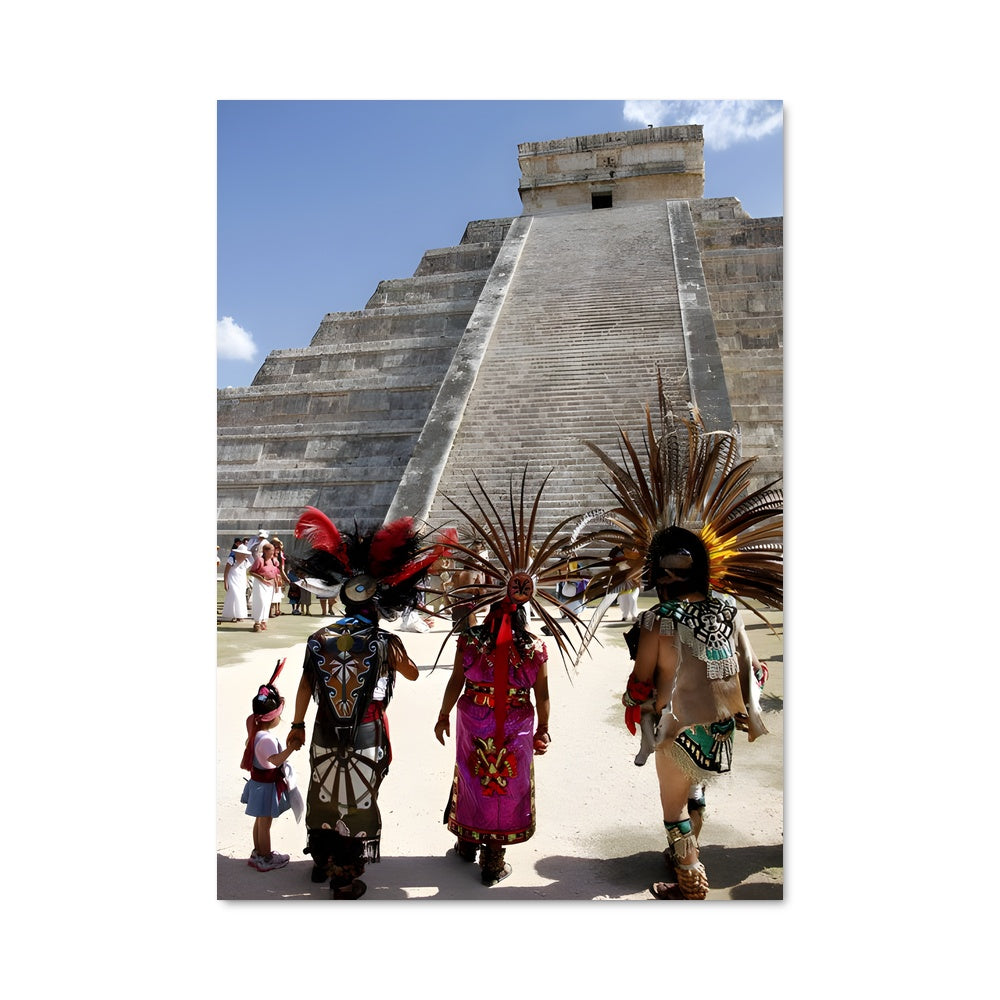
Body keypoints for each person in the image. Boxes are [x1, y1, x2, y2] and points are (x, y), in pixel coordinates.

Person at [580, 389, 782, 900]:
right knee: (697, 789)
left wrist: (632, 702)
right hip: (718, 724)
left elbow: (642, 682)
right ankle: (687, 853)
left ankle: (690, 878)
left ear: (659, 576)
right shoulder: (728, 608)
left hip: (674, 723)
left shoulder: (657, 621)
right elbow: (753, 670)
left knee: (672, 807)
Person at [432, 471, 590, 887]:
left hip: (473, 715)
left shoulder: (470, 643)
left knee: (471, 774)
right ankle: (492, 856)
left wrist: (443, 714)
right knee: (502, 785)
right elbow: (543, 694)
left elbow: (454, 683)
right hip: (517, 720)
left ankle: (468, 842)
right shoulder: (535, 648)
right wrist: (545, 730)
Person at [285, 506, 444, 899]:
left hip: (323, 727)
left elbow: (306, 686)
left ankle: (322, 862)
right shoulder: (384, 642)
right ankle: (344, 876)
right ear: (377, 603)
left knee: (324, 791)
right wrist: (394, 649)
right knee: (356, 798)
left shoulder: (319, 638)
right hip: (366, 730)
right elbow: (411, 674)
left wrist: (297, 725)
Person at [240, 660, 303, 872]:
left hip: (258, 784)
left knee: (259, 821)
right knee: (265, 823)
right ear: (272, 717)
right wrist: (292, 747)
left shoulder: (255, 730)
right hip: (265, 787)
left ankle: (257, 853)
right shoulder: (265, 739)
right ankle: (265, 858)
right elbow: (275, 761)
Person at [248, 542, 281, 632]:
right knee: (261, 602)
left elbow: (275, 574)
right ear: (265, 551)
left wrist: (276, 584)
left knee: (267, 603)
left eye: (273, 550)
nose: (273, 552)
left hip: (270, 584)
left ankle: (263, 621)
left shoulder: (274, 560)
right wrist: (262, 579)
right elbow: (251, 572)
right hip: (260, 583)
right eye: (272, 550)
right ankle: (257, 622)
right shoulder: (259, 560)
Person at [222, 543, 252, 622]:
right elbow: (226, 572)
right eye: (242, 554)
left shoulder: (246, 561)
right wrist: (225, 582)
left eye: (245, 554)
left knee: (241, 597)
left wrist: (246, 581)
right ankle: (233, 615)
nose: (244, 556)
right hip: (232, 580)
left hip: (241, 581)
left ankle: (240, 615)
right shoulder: (231, 559)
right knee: (234, 596)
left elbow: (245, 572)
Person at [269, 537, 290, 617]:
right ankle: (270, 611)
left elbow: (282, 567)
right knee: (274, 593)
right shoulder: (272, 554)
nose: (280, 546)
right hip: (275, 575)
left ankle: (277, 609)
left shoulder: (280, 553)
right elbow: (280, 568)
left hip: (279, 575)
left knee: (278, 593)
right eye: (278, 545)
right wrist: (286, 578)